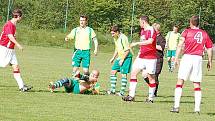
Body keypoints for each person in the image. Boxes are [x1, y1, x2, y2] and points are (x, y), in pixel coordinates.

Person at [170, 15, 213, 114]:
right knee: (197, 84)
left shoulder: (186, 31)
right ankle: (197, 109)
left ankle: (176, 107)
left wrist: (176, 58)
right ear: (198, 23)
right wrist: (210, 60)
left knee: (180, 81)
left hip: (187, 57)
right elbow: (209, 48)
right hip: (198, 58)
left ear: (190, 22)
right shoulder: (204, 33)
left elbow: (180, 45)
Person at [122, 16, 157, 102]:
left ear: (143, 22)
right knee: (133, 73)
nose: (139, 23)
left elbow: (150, 41)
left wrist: (136, 43)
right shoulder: (142, 31)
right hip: (141, 57)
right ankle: (131, 96)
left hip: (150, 58)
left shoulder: (151, 29)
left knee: (151, 78)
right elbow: (143, 44)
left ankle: (150, 98)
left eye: (140, 22)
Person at [0, 9, 32, 92]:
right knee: (2, 65)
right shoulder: (9, 24)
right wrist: (18, 45)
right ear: (18, 16)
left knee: (16, 66)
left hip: (11, 49)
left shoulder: (14, 24)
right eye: (21, 16)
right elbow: (10, 37)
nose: (21, 18)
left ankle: (22, 86)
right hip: (5, 48)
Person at [107, 25, 132, 96]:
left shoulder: (123, 38)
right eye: (111, 33)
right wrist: (113, 58)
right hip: (120, 57)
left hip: (126, 57)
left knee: (123, 74)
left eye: (113, 33)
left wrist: (122, 60)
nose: (112, 35)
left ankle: (122, 92)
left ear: (117, 32)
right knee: (113, 72)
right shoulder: (116, 38)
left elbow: (127, 50)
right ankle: (112, 90)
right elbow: (117, 48)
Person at [144, 23, 166, 97]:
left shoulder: (161, 38)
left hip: (158, 59)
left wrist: (153, 45)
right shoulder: (151, 37)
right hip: (150, 58)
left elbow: (161, 48)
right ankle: (153, 87)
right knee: (144, 75)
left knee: (154, 76)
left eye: (153, 29)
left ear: (157, 30)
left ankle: (154, 92)